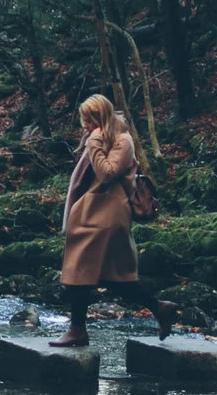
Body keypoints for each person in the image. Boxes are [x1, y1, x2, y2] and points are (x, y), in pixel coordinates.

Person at [53, 94, 175, 347]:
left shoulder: (122, 140)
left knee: (82, 272)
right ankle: (159, 307)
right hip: (91, 213)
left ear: (99, 118)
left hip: (105, 216)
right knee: (111, 278)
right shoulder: (103, 139)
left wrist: (95, 142)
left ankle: (77, 330)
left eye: (88, 120)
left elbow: (107, 173)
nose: (84, 126)